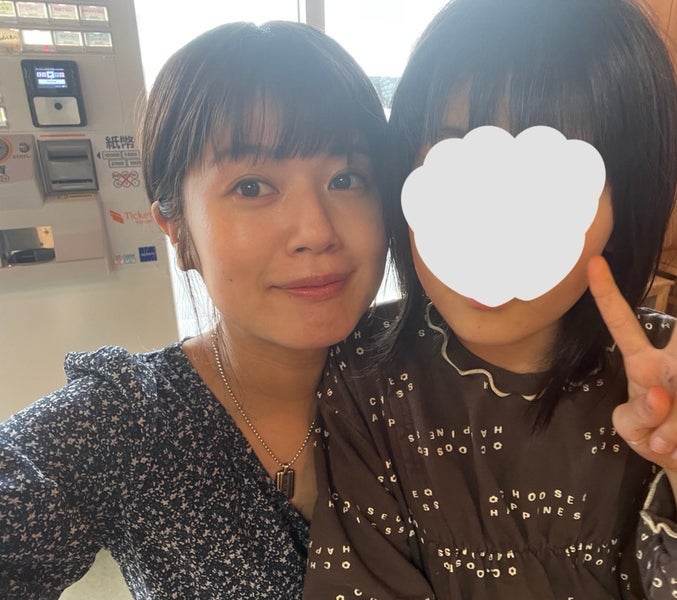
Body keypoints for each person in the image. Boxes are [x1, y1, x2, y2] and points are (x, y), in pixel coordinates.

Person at [304, 0, 677, 598]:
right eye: (456, 164)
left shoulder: (667, 376)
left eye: (549, 187)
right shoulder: (366, 373)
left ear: (624, 210)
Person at [0, 21, 387, 599]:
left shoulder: (437, 375)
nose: (316, 231)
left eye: (346, 178)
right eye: (252, 187)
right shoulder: (128, 421)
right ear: (177, 228)